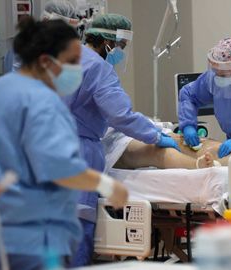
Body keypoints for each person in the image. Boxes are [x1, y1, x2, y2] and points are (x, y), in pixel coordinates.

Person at [0, 18, 128, 270]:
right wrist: (106, 185)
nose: (78, 69)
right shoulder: (45, 102)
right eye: (72, 62)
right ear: (46, 61)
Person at [60, 12, 180, 266]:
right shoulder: (97, 68)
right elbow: (121, 116)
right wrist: (156, 135)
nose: (121, 52)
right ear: (108, 43)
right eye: (121, 47)